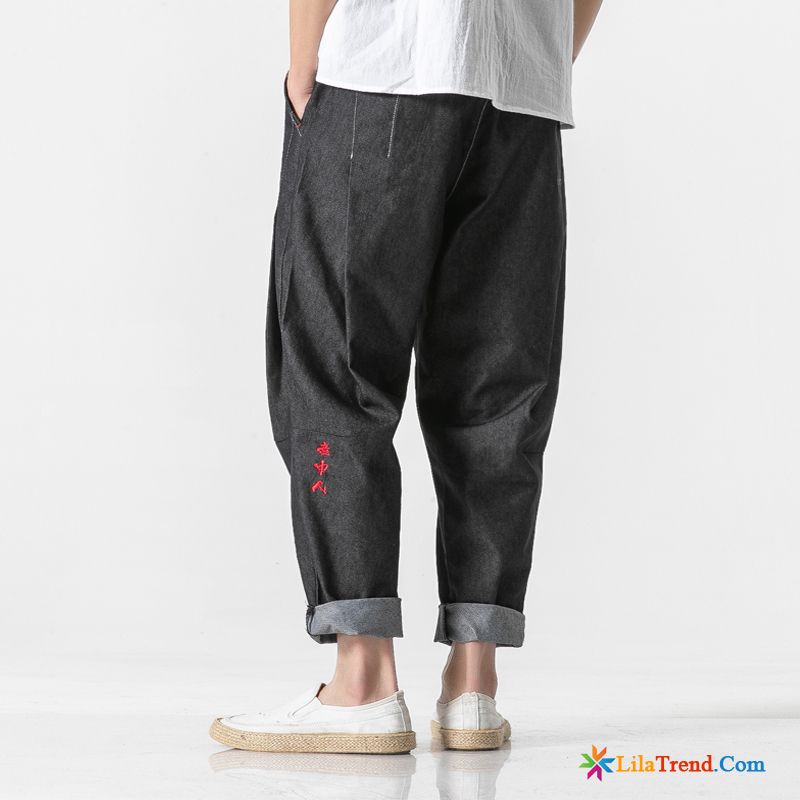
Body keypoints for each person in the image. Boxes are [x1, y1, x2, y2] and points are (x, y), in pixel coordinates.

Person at [210, 0, 603, 755]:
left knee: (337, 368)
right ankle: (474, 683)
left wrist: (303, 67)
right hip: (521, 94)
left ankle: (361, 679)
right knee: (498, 388)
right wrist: (541, 60)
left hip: (383, 65)